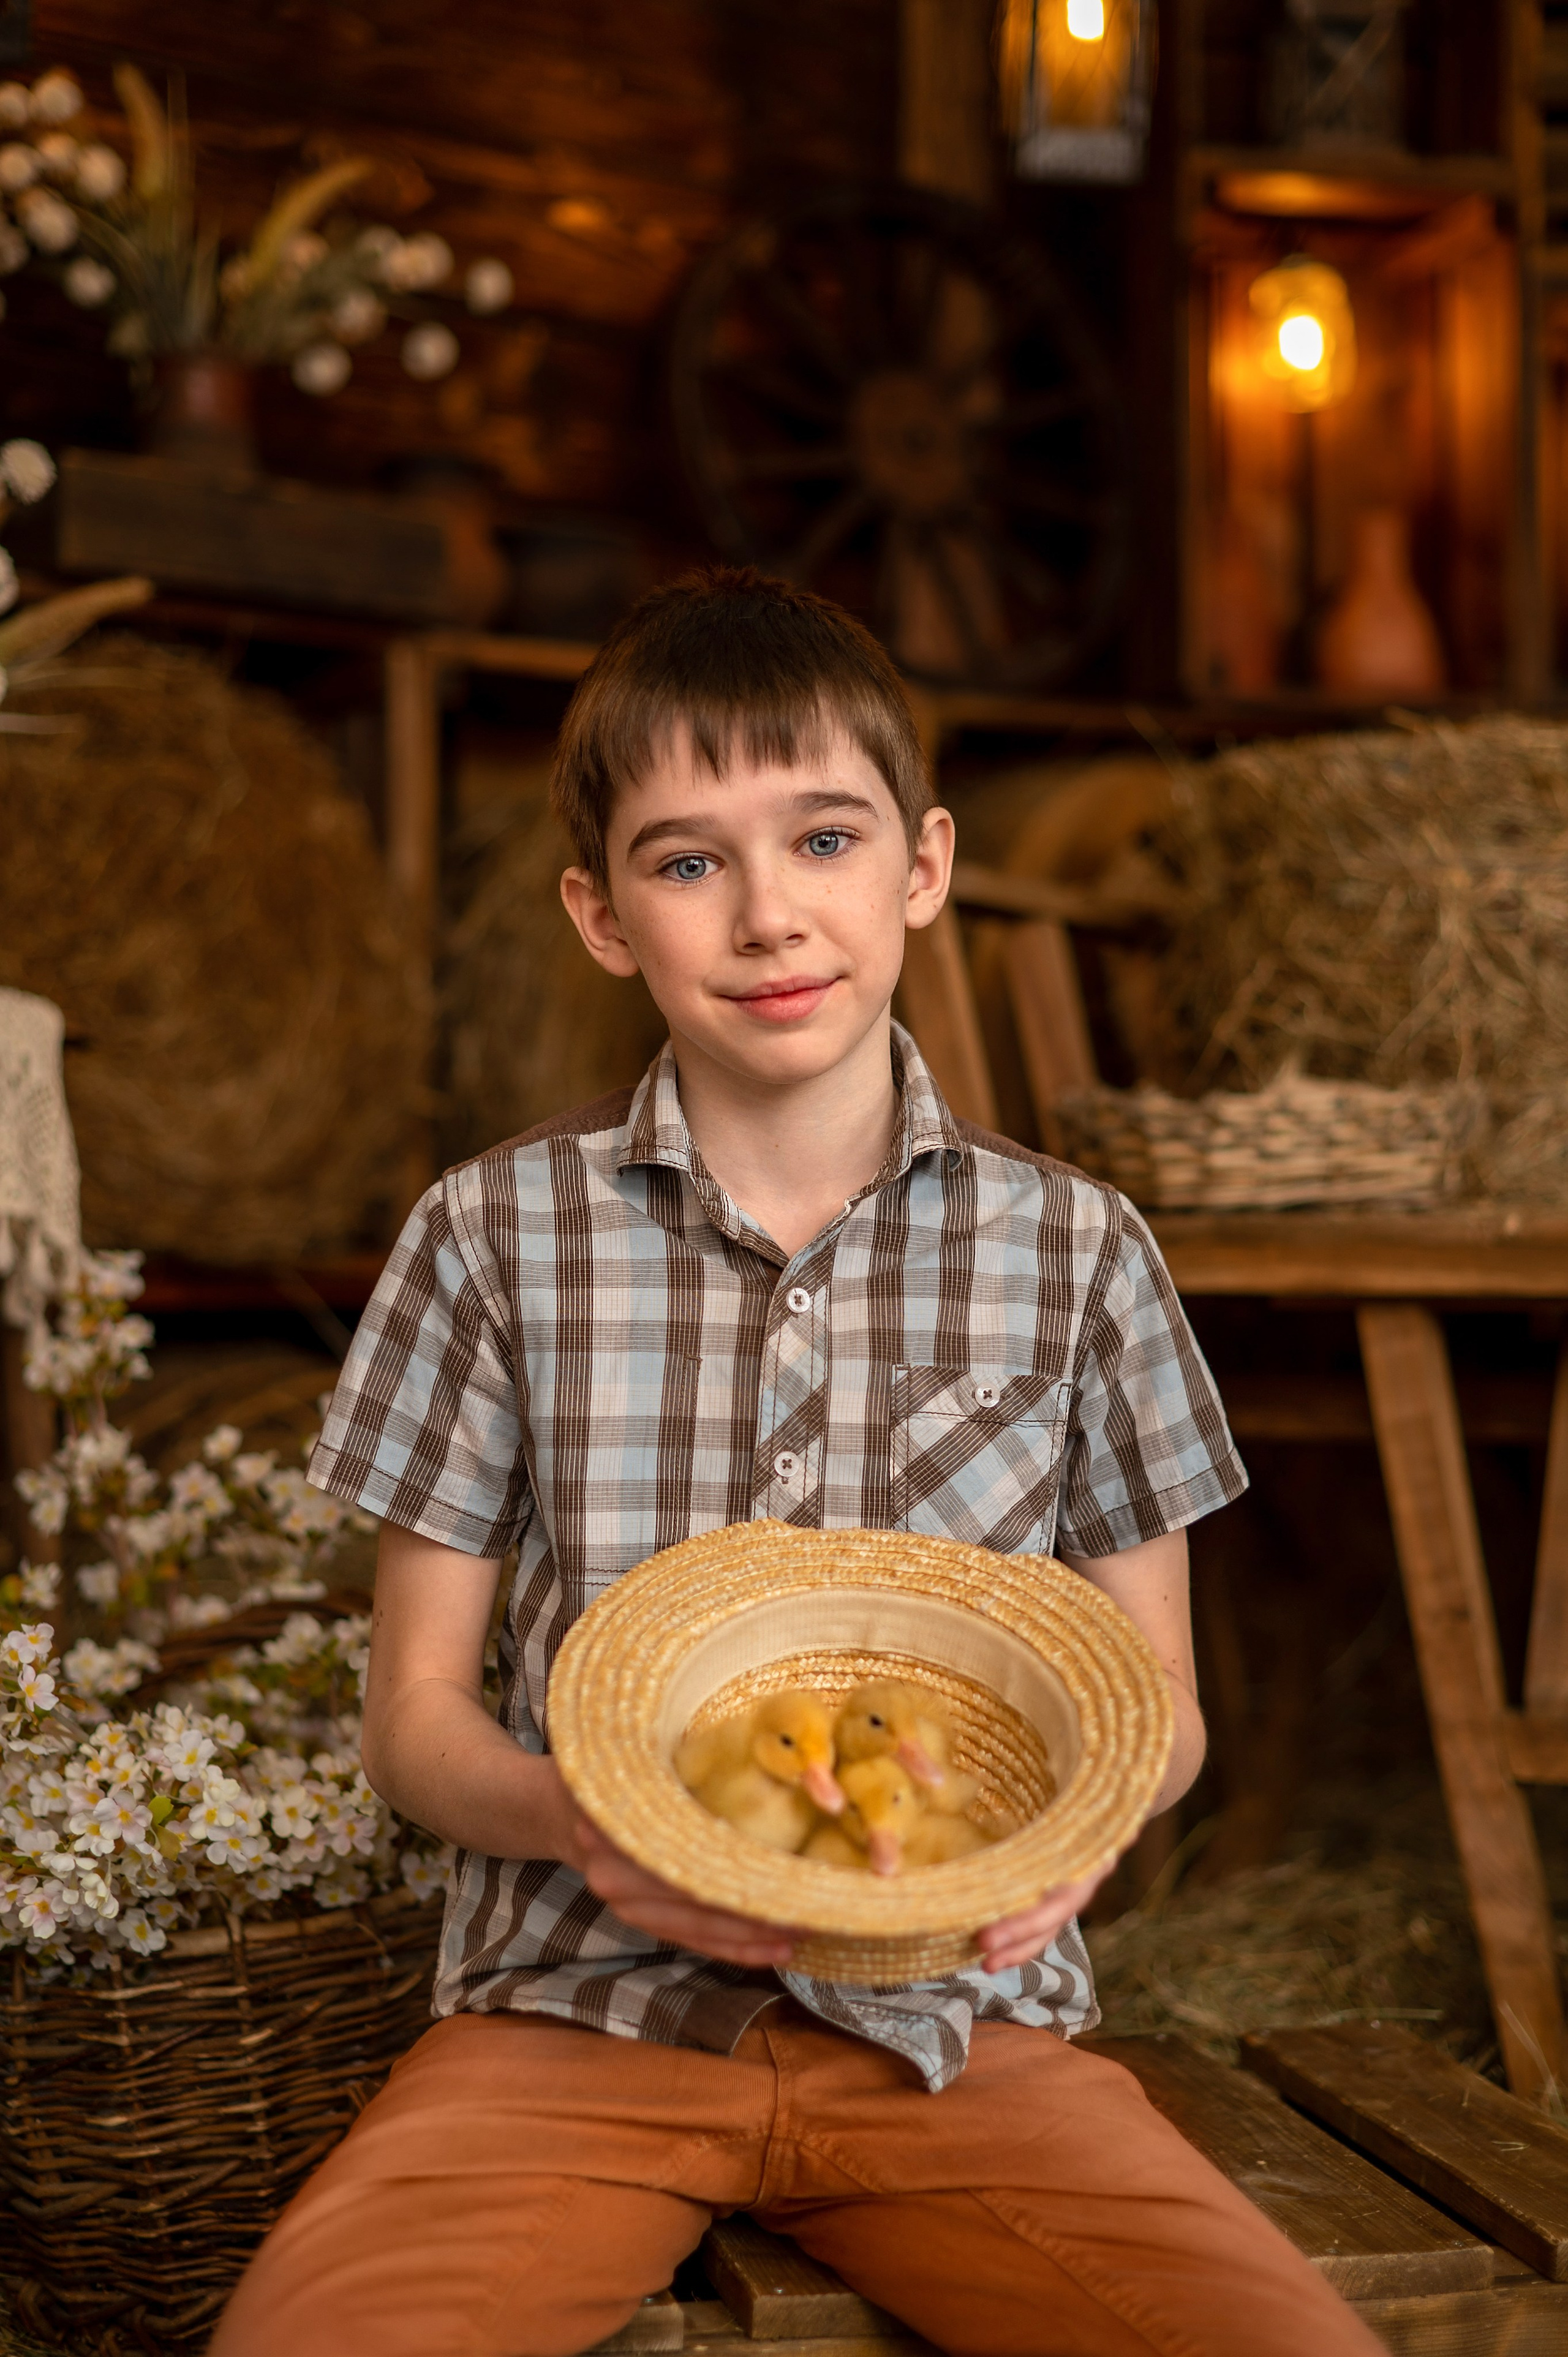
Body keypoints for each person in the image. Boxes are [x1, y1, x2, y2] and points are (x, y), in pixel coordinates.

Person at [214, 569, 1382, 2357]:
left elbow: (1164, 1708)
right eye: (689, 864)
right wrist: (580, 1826)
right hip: (572, 2023)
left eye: (821, 839)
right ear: (603, 920)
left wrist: (1075, 1834)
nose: (769, 916)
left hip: (961, 2037)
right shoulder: (488, 1236)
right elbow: (415, 1725)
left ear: (920, 867)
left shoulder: (1078, 1251)